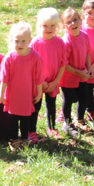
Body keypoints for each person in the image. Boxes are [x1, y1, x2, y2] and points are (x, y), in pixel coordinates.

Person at [0, 22, 43, 143]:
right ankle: (13, 140)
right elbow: (4, 78)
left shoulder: (35, 57)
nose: (20, 44)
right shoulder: (9, 57)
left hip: (27, 94)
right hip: (13, 95)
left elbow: (39, 78)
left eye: (23, 41)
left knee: (25, 118)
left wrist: (39, 93)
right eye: (17, 41)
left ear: (30, 40)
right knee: (13, 118)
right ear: (12, 41)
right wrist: (1, 94)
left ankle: (24, 139)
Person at [30, 8, 66, 138]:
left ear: (57, 26)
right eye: (45, 26)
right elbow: (31, 64)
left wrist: (56, 81)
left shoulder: (60, 42)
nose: (49, 29)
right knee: (36, 105)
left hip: (53, 81)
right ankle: (31, 130)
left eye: (52, 26)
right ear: (39, 25)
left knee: (51, 104)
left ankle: (52, 127)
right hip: (38, 81)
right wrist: (41, 81)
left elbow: (63, 63)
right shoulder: (35, 43)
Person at [59, 7, 92, 136]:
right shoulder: (66, 42)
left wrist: (89, 68)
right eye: (69, 22)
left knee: (84, 97)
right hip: (69, 76)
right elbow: (64, 64)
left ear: (81, 20)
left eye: (75, 20)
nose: (73, 24)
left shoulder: (84, 36)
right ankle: (67, 123)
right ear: (64, 26)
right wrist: (79, 72)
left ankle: (80, 119)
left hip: (82, 74)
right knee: (68, 99)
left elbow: (88, 53)